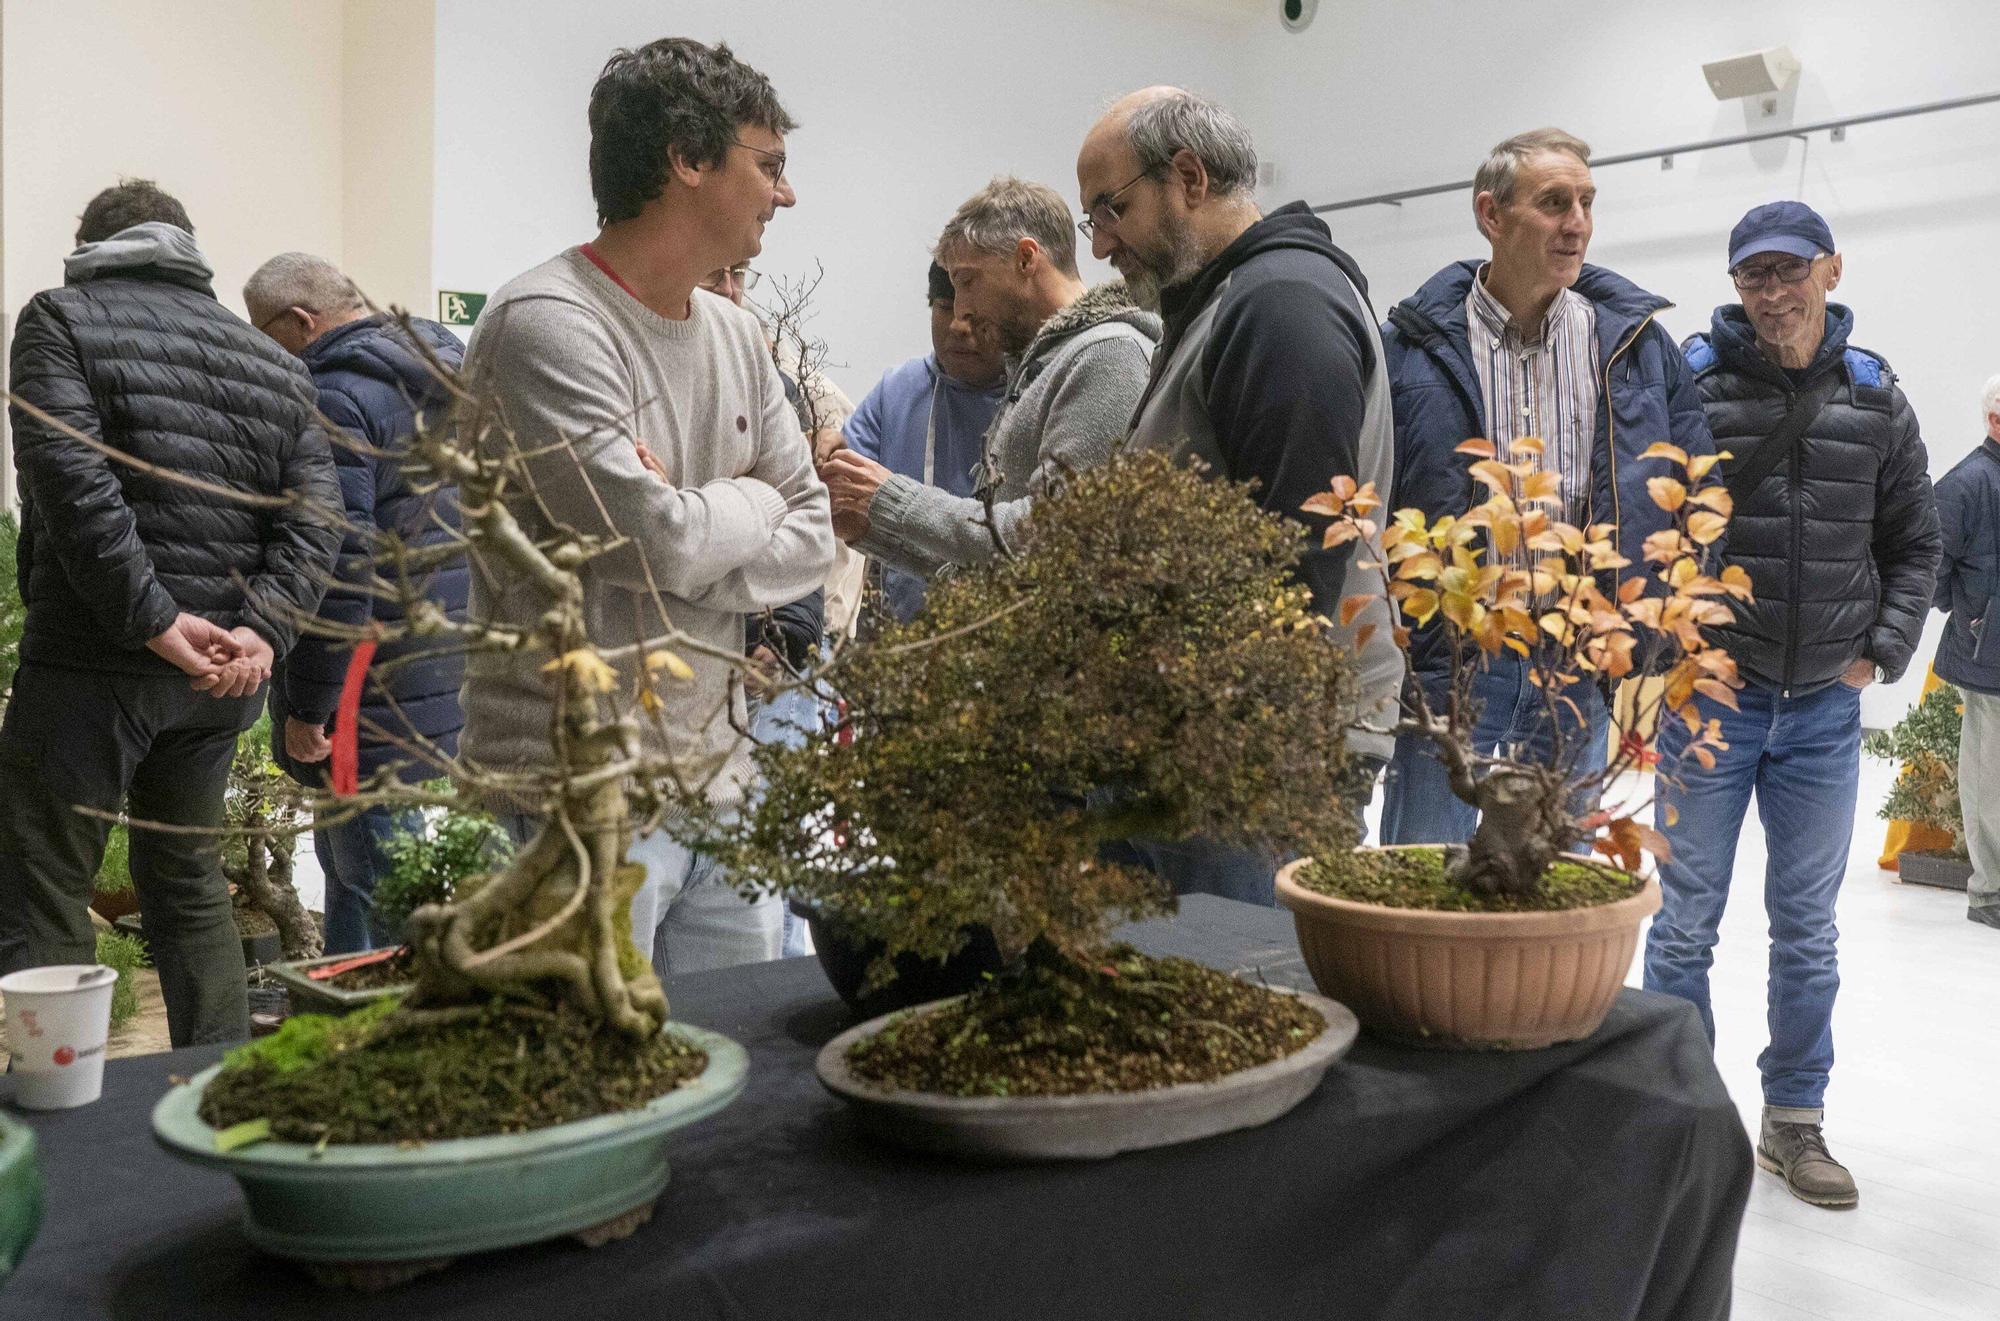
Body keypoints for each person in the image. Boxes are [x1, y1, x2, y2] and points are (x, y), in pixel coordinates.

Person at [459, 38, 833, 977]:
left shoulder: (741, 335)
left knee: (740, 1088)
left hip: (724, 780)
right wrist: (753, 499)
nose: (783, 195)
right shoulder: (547, 324)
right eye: (769, 165)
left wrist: (703, 508)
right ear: (688, 159)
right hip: (577, 795)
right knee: (590, 1088)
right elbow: (655, 544)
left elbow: (815, 535)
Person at [1648, 200, 1940, 1209]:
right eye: (1749, 278)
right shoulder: (1689, 384)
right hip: (1709, 705)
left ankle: (1793, 1124)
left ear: (1827, 270)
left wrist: (1881, 651)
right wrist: (1674, 647)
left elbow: (1915, 540)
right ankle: (1682, 1123)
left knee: (1806, 927)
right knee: (1681, 925)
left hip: (1820, 708)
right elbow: (1646, 527)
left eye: (1785, 272)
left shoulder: (1873, 397)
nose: (1769, 293)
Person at [0, 181, 340, 1045]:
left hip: (93, 663)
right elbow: (317, 521)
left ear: (90, 248)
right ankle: (218, 1091)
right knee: (187, 881)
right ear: (187, 250)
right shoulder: (275, 362)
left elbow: (74, 490)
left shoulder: (60, 320)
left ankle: (66, 1122)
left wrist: (155, 621)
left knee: (42, 884)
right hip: (220, 680)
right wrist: (260, 633)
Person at [1077, 86, 1398, 901]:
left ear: (1187, 177)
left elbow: (1294, 567)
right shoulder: (1226, 300)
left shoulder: (1279, 305)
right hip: (1209, 744)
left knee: (1240, 989)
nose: (1101, 243)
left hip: (1247, 760)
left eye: (1110, 210)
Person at [1377, 127, 1718, 847]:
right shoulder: (1412, 347)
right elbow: (1376, 489)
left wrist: (1652, 629)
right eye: (1555, 202)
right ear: (1491, 216)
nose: (1578, 223)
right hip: (1455, 654)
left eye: (1587, 202)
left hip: (1576, 652)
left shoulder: (1631, 346)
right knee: (1422, 866)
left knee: (1557, 868)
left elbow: (1696, 492)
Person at [244, 251, 469, 954]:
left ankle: (406, 1032)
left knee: (378, 874)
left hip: (362, 678)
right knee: (353, 871)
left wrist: (311, 706)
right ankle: (339, 1021)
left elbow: (338, 561)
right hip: (436, 655)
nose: (262, 351)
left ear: (301, 321)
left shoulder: (334, 394)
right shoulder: (443, 370)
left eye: (263, 333)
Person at [823, 176, 1158, 579]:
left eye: (966, 281)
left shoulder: (1107, 356)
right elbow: (1000, 572)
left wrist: (892, 499)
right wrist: (872, 530)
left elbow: (1055, 541)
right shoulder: (1042, 367)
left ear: (1025, 259)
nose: (961, 310)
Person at [829, 261, 1007, 621]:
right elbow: (835, 490)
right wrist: (823, 447)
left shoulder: (1034, 392)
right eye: (944, 307)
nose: (958, 326)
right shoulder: (898, 389)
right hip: (909, 643)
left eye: (973, 315)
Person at [1934, 375, 2000, 930]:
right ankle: (1989, 894)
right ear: (1994, 420)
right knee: (1990, 780)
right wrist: (1975, 618)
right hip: (1989, 655)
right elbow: (1930, 571)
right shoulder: (1966, 483)